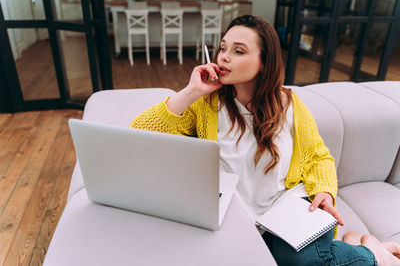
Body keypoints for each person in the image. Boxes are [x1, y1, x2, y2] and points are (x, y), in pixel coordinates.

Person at [130, 15, 400, 266]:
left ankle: (370, 252)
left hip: (291, 208)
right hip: (236, 215)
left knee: (299, 261)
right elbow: (140, 134)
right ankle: (367, 247)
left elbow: (319, 157)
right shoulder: (205, 105)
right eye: (223, 48)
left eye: (238, 51)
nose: (224, 57)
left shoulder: (291, 104)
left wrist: (325, 192)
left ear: (264, 62)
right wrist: (191, 91)